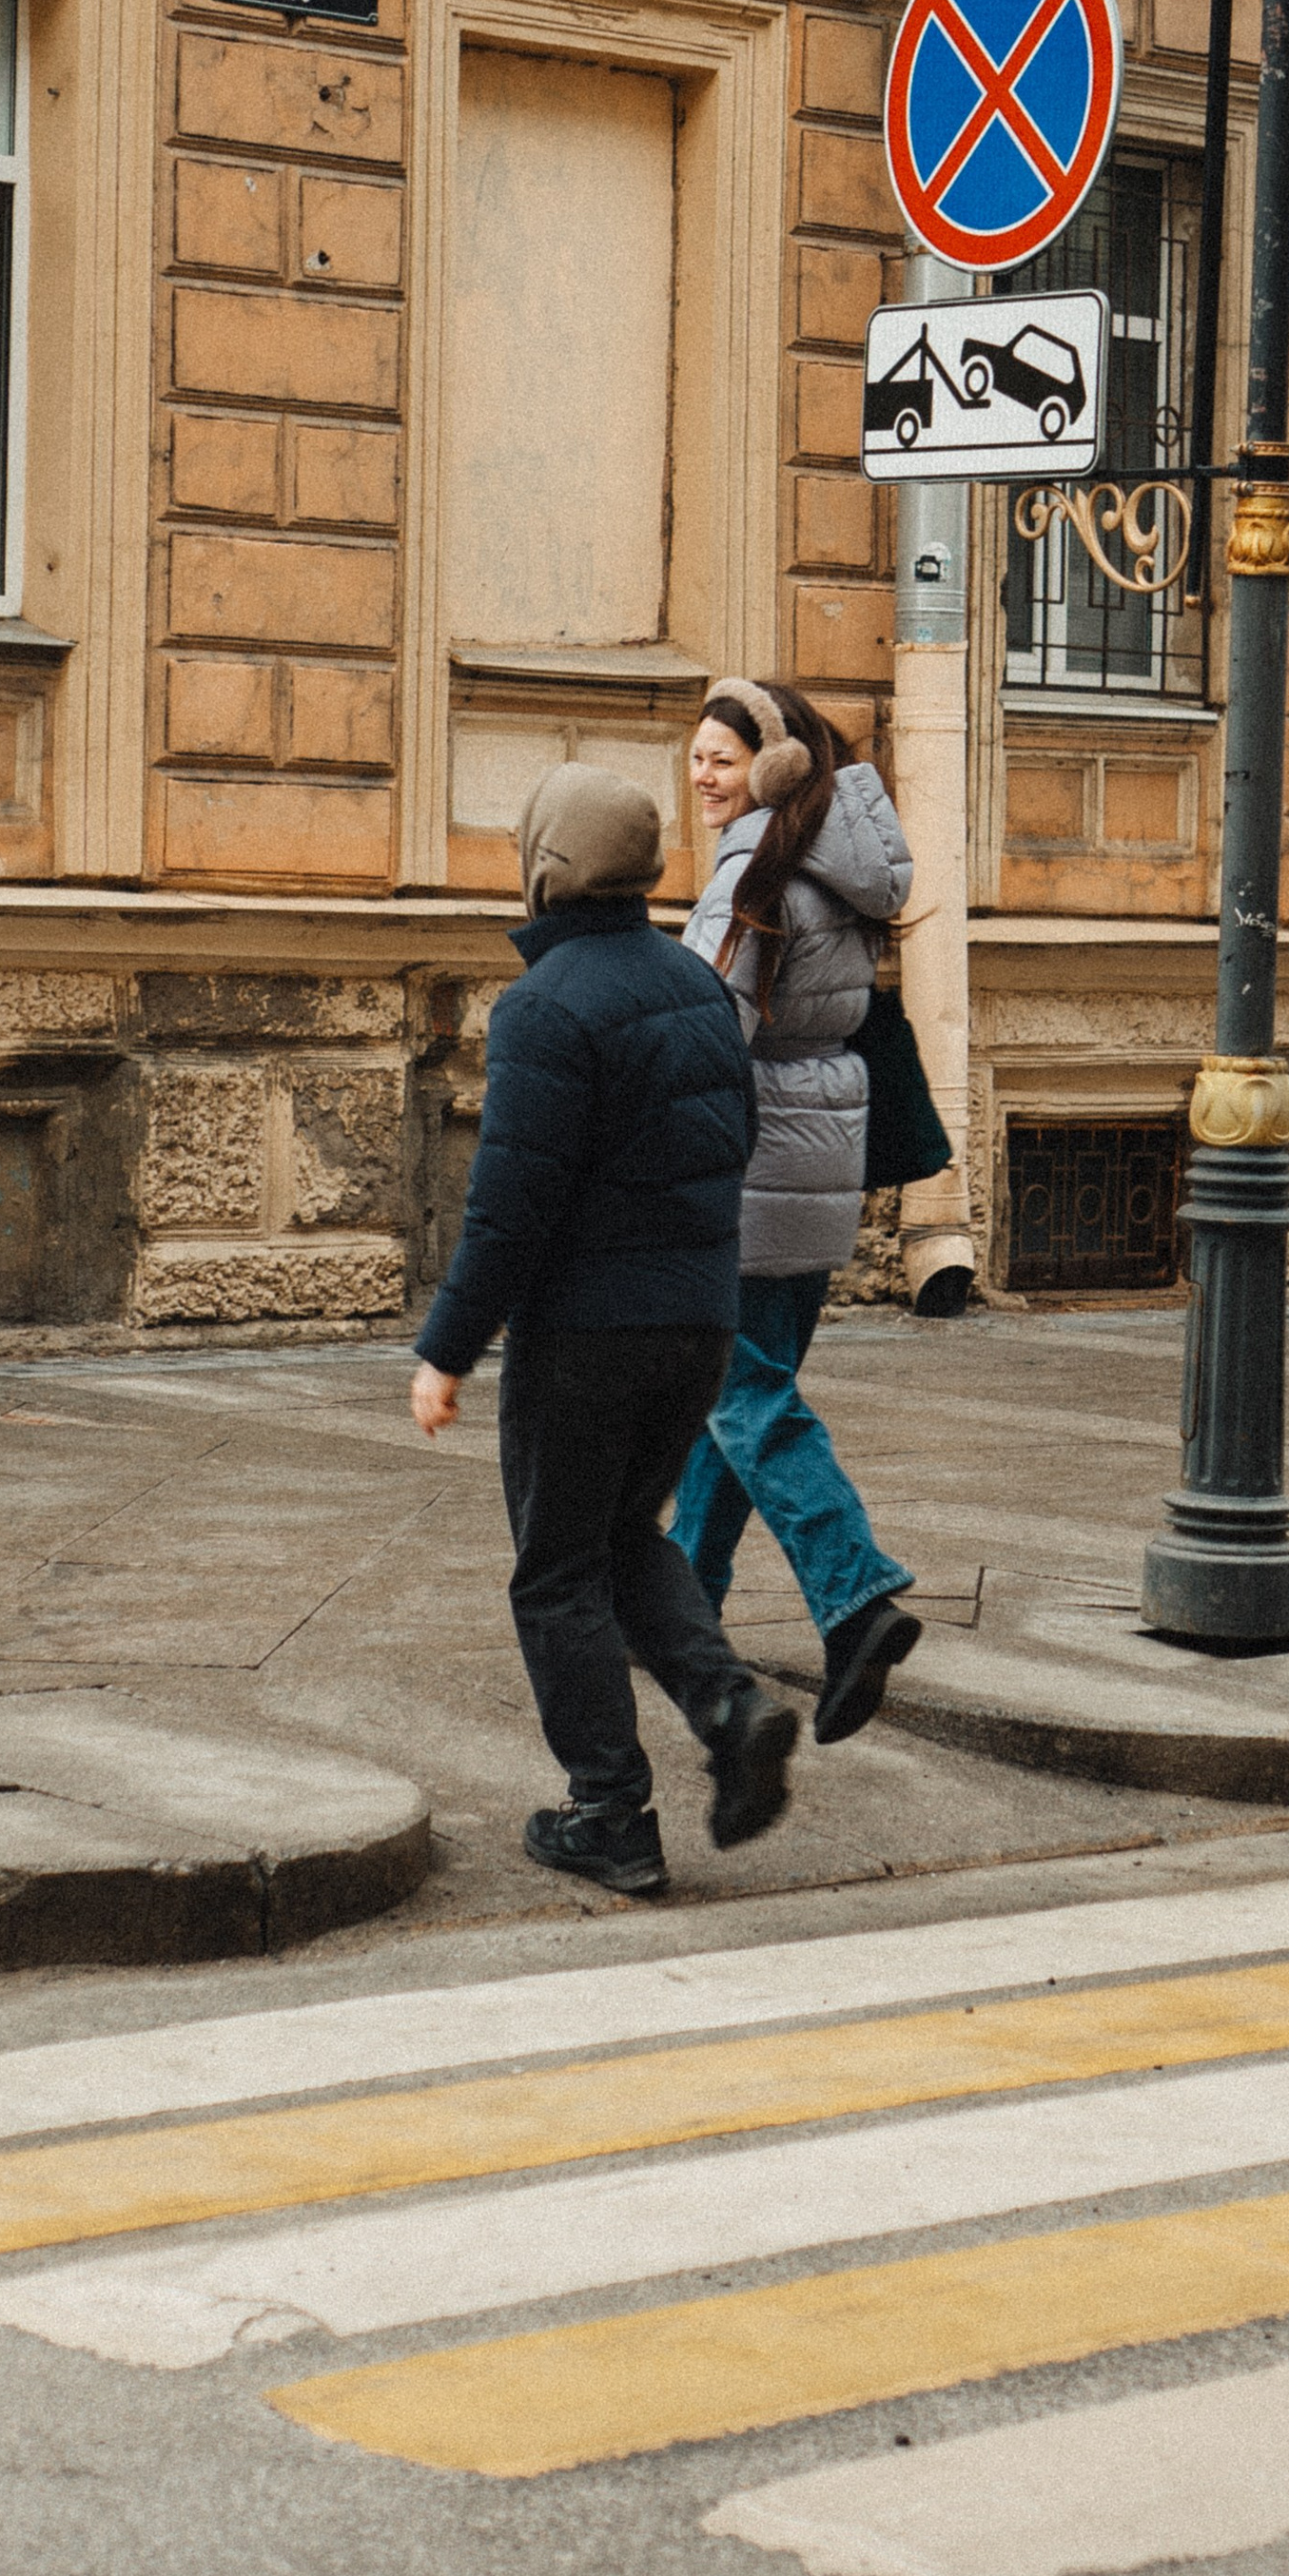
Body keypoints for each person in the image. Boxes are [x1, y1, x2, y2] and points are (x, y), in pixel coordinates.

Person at [410, 761, 802, 1901]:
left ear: (544, 865)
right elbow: (734, 1144)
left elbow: (509, 1205)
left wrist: (446, 1348)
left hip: (588, 1334)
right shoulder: (693, 987)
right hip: (696, 1322)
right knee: (627, 1535)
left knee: (555, 1573)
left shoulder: (544, 1006)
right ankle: (729, 1705)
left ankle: (609, 1813)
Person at [669, 676, 925, 1745]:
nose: (700, 777)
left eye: (720, 758)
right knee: (736, 1394)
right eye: (693, 758)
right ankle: (680, 1604)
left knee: (740, 1395)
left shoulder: (759, 866)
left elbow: (700, 1030)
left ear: (773, 764)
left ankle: (853, 1592)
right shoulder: (841, 865)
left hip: (750, 1160)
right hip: (818, 1152)